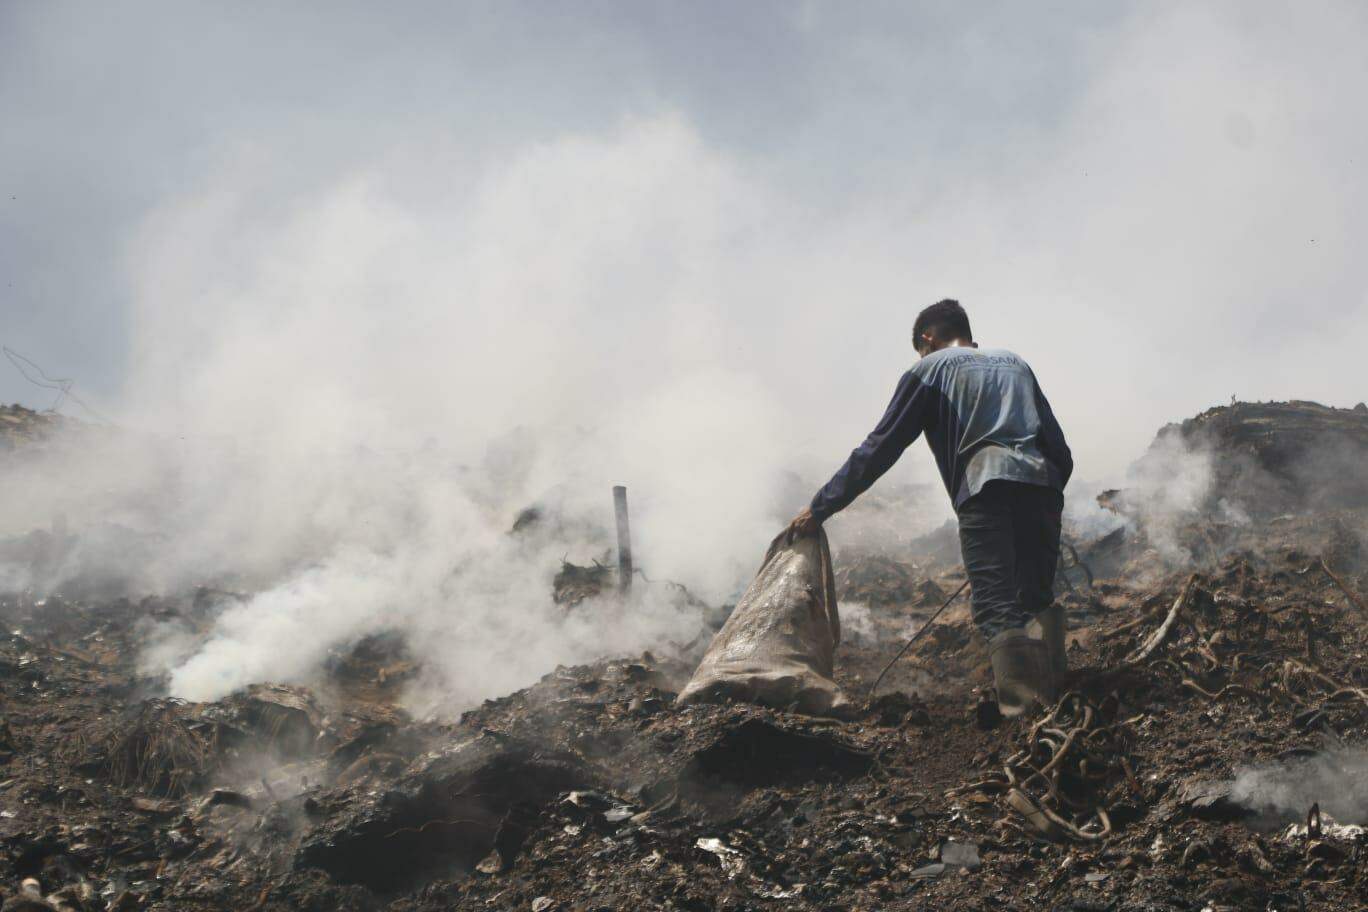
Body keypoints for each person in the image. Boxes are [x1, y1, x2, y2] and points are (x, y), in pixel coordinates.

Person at [785, 299, 1073, 715]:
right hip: (1042, 485)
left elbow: (879, 449)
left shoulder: (929, 369)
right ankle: (1060, 691)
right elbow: (1059, 449)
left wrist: (820, 507)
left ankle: (1027, 719)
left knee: (996, 605)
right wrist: (1048, 498)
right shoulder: (1016, 363)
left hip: (985, 488)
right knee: (1035, 595)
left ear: (926, 339)